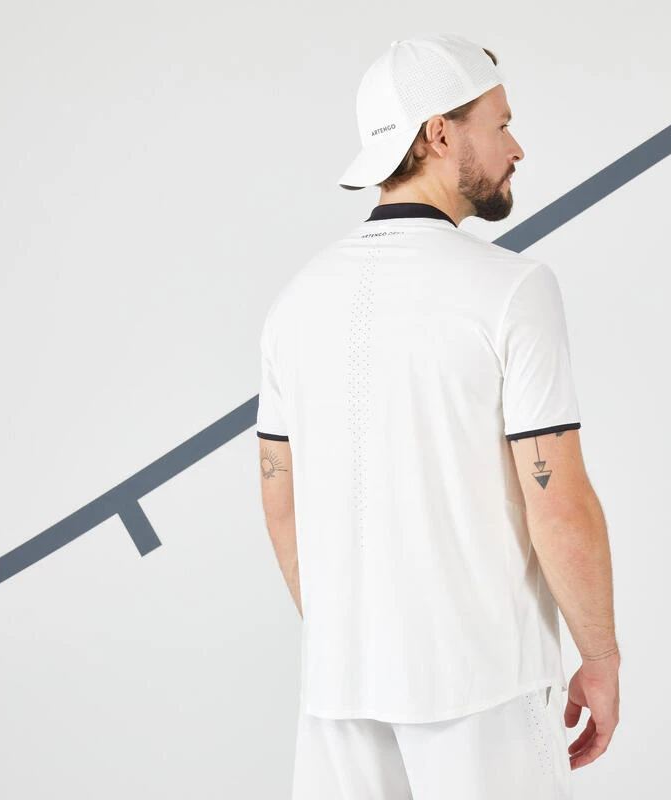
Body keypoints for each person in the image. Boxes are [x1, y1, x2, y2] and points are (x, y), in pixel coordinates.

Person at [256, 32, 621, 800]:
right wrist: (600, 657)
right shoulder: (513, 290)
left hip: (337, 693)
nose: (517, 147)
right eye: (501, 122)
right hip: (482, 686)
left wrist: (350, 642)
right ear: (439, 134)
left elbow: (280, 502)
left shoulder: (294, 304)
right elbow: (558, 504)